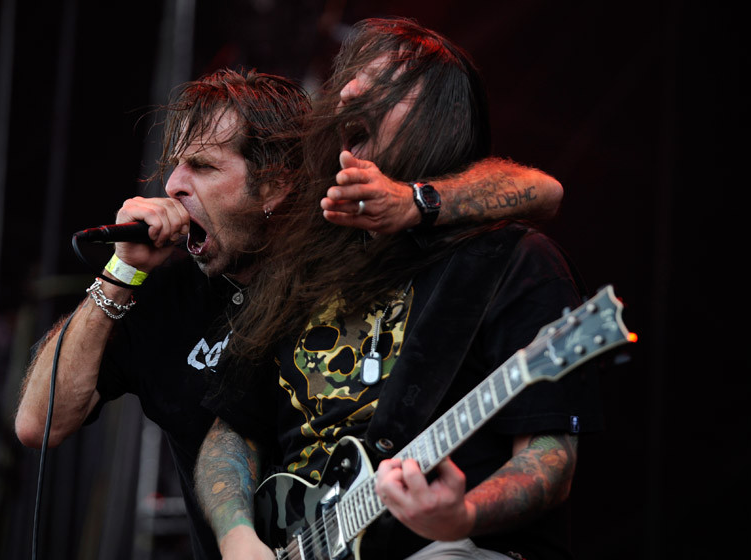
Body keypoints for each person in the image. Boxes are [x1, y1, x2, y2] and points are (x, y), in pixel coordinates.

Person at [15, 65, 565, 559]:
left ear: (275, 183)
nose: (174, 185)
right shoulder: (159, 285)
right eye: (173, 165)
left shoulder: (334, 249)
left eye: (201, 166)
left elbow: (538, 190)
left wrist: (413, 201)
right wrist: (121, 271)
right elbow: (37, 422)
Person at [195, 18, 601, 560]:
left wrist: (464, 514)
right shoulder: (302, 268)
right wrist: (238, 538)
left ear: (438, 116)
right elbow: (230, 432)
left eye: (383, 81)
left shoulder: (510, 262)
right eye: (349, 75)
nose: (350, 91)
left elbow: (550, 457)